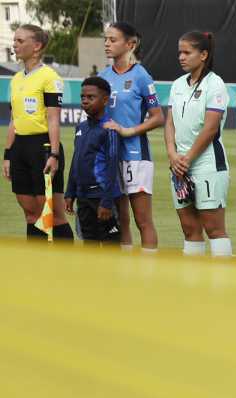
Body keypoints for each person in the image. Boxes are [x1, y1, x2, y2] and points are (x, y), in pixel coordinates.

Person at [3, 24, 72, 242]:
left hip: (42, 148)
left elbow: (53, 119)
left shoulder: (50, 77)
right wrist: (7, 154)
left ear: (37, 46)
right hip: (20, 149)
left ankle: (69, 267)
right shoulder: (15, 80)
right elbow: (14, 120)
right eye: (15, 40)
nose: (15, 44)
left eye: (20, 41)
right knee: (30, 214)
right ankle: (36, 266)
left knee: (52, 214)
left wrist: (54, 154)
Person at [165, 31, 231, 257]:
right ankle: (194, 287)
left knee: (214, 229)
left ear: (203, 55)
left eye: (187, 52)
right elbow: (169, 123)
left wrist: (187, 158)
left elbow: (211, 128)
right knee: (189, 229)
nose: (181, 57)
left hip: (207, 164)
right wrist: (173, 155)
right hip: (179, 166)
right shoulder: (176, 85)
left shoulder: (216, 84)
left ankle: (222, 287)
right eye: (179, 52)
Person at [100, 21, 162, 253]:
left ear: (130, 44)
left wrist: (128, 130)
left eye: (112, 40)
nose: (107, 44)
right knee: (120, 219)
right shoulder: (102, 76)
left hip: (136, 155)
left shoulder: (141, 76)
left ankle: (149, 271)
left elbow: (158, 117)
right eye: (105, 39)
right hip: (110, 155)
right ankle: (127, 274)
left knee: (142, 220)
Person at [64, 76, 122, 244]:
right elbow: (76, 161)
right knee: (89, 246)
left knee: (111, 246)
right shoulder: (81, 127)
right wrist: (70, 192)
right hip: (83, 198)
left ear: (105, 100)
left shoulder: (109, 128)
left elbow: (112, 167)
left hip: (102, 198)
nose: (85, 101)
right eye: (83, 97)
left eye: (91, 97)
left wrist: (106, 201)